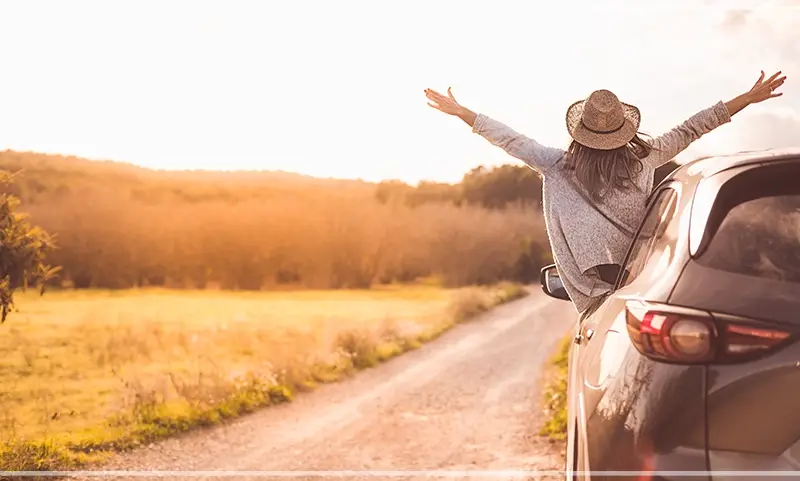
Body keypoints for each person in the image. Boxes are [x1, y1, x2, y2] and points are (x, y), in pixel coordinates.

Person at [424, 71, 787, 319]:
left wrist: (464, 114)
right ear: (623, 132)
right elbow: (694, 127)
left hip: (599, 299)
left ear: (580, 132)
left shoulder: (555, 165)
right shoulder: (646, 159)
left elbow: (511, 139)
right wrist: (747, 98)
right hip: (647, 287)